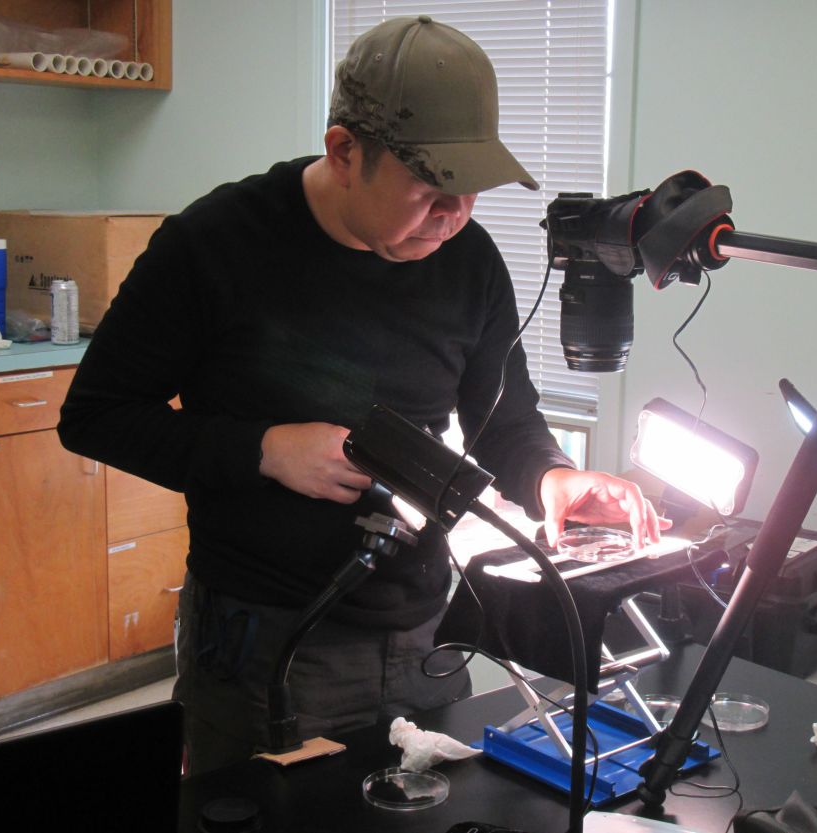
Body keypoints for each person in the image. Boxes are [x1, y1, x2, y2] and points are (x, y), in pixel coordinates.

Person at [57, 15, 666, 775]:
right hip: (263, 646)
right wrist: (264, 450)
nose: (452, 217)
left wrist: (555, 478)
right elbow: (96, 416)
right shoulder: (213, 246)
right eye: (429, 189)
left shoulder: (467, 262)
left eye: (470, 191)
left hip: (422, 637)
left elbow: (503, 422)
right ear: (345, 151)